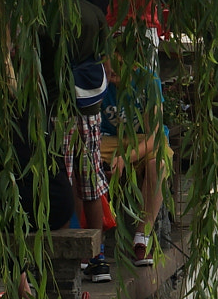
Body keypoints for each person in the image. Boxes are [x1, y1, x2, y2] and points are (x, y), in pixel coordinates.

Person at [103, 53, 171, 269]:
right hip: (108, 140)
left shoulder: (148, 81)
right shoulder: (97, 79)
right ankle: (93, 242)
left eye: (119, 61)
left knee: (158, 164)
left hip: (144, 141)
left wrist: (126, 157)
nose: (112, 68)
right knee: (82, 160)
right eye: (107, 60)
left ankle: (142, 237)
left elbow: (155, 135)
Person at [62, 58, 112, 281]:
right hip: (90, 103)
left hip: (60, 105)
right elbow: (107, 67)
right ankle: (97, 256)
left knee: (63, 177)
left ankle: (65, 252)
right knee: (91, 180)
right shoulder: (98, 22)